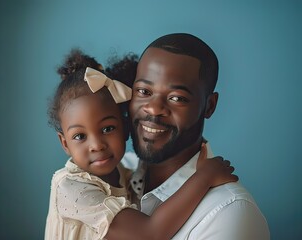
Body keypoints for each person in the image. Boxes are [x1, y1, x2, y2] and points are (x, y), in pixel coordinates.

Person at [44, 49, 238, 240]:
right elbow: (149, 233)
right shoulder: (71, 188)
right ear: (65, 143)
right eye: (79, 136)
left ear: (126, 127)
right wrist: (204, 177)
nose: (97, 145)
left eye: (107, 129)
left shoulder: (127, 175)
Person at [119, 33, 270, 239]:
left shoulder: (229, 214)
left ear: (209, 106)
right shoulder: (112, 174)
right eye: (144, 91)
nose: (154, 109)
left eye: (177, 98)